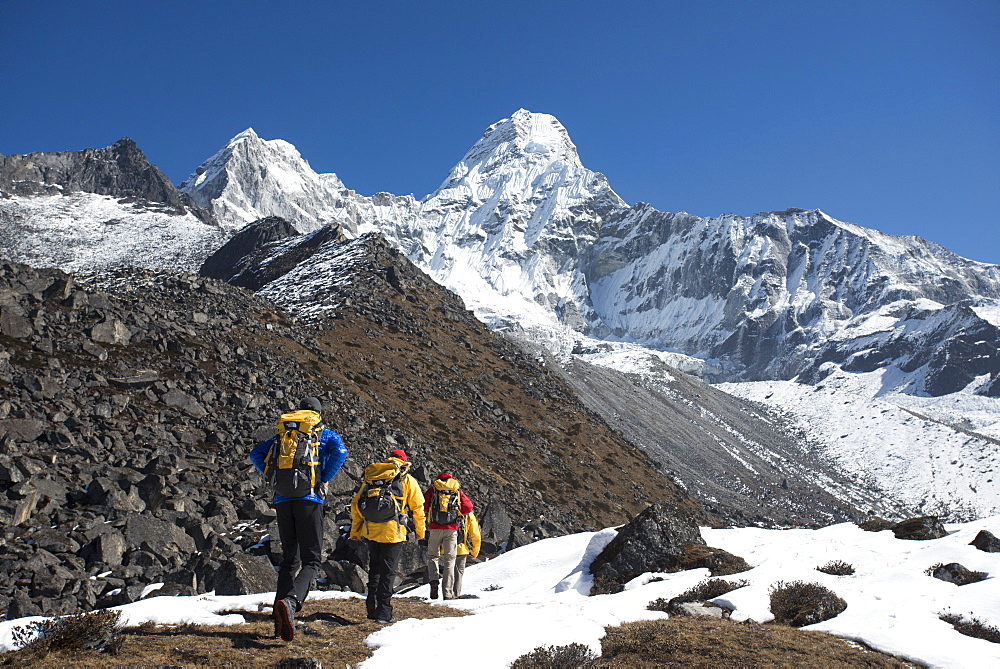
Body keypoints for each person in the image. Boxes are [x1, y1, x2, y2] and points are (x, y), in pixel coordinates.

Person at [249, 396, 348, 642]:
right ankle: (291, 603)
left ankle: (278, 620)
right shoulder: (323, 433)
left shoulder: (282, 435)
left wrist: (272, 477)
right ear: (317, 413)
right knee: (312, 561)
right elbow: (341, 452)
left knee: (288, 561)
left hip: (283, 501)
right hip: (310, 500)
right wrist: (323, 478)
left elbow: (255, 454)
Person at [350, 449, 425, 624]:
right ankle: (384, 613)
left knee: (374, 569)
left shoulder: (374, 476)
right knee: (388, 573)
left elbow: (356, 505)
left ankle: (372, 604)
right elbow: (418, 508)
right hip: (393, 532)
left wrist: (355, 532)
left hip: (371, 531)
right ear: (404, 461)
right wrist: (420, 532)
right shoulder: (406, 478)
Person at [423, 472, 473, 600]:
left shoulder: (433, 489)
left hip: (434, 528)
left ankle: (434, 582)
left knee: (433, 556)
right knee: (449, 561)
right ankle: (447, 593)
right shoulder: (456, 490)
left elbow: (424, 506)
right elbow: (468, 507)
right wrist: (457, 512)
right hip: (451, 529)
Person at [451, 510, 481, 598]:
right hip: (461, 548)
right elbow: (475, 534)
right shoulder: (468, 514)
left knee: (448, 571)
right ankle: (455, 594)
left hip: (446, 548)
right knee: (458, 573)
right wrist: (474, 552)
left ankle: (446, 594)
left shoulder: (445, 509)